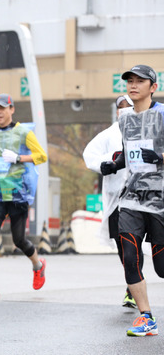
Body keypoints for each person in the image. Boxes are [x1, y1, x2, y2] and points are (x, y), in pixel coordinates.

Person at [100, 64, 163, 337]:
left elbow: (152, 154)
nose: (133, 85)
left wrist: (159, 158)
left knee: (161, 268)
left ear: (153, 87)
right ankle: (145, 316)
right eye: (130, 81)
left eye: (140, 81)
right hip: (132, 199)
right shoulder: (125, 120)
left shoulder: (162, 116)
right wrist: (114, 165)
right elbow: (130, 153)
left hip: (160, 200)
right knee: (129, 256)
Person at [0, 93, 48, 299]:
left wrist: (18, 158)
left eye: (2, 108)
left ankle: (38, 265)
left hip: (18, 192)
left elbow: (42, 156)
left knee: (19, 240)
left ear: (11, 109)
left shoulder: (24, 132)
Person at [83, 95, 136, 309]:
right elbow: (90, 154)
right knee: (125, 247)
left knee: (139, 244)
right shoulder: (108, 135)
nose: (124, 111)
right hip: (116, 199)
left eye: (128, 107)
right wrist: (104, 164)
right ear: (115, 111)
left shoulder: (147, 130)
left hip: (143, 196)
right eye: (120, 107)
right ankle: (133, 285)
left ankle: (134, 283)